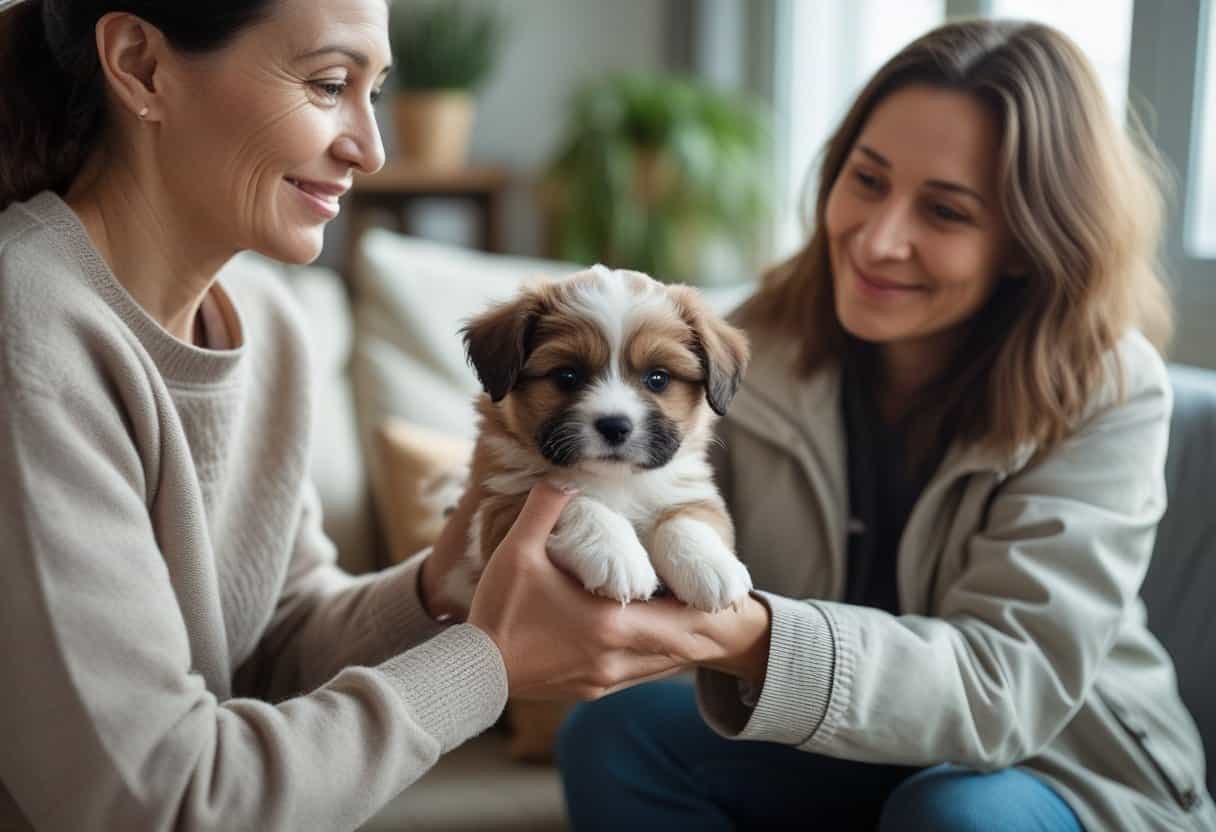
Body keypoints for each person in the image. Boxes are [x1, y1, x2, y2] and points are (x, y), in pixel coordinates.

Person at [0, 1, 770, 829]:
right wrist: (490, 664)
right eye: (330, 84)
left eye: (376, 92)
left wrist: (442, 586)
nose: (369, 148)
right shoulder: (29, 332)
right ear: (142, 65)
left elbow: (273, 650)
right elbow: (156, 800)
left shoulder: (268, 320)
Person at [556, 19, 1216, 832]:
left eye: (944, 211)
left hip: (1059, 763)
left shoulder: (1108, 390)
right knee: (614, 739)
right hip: (841, 739)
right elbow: (641, 504)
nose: (877, 240)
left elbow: (1004, 689)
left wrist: (751, 636)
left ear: (1025, 243)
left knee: (952, 816)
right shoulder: (753, 343)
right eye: (867, 180)